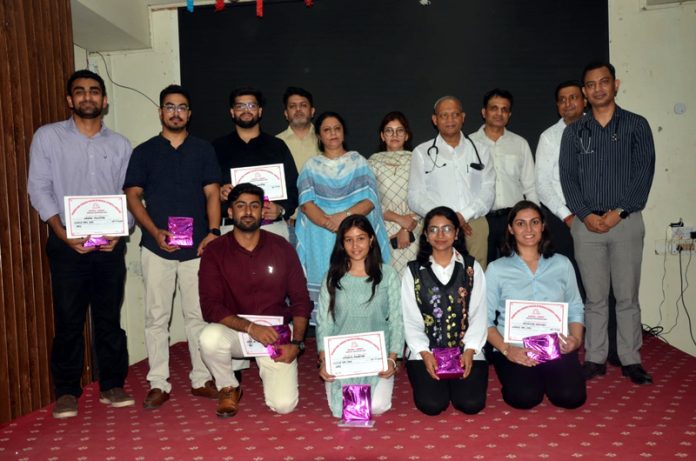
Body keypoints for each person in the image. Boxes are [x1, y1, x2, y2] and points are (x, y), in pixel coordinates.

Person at [27, 69, 135, 418]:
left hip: (110, 244)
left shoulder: (120, 145)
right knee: (69, 317)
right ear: (70, 100)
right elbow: (38, 187)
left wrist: (122, 229)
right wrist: (60, 231)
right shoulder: (47, 138)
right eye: (80, 92)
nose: (87, 97)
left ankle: (112, 384)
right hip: (65, 243)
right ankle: (67, 391)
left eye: (94, 92)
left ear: (104, 101)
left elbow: (128, 194)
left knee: (108, 316)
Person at [124, 84, 221, 409]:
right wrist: (154, 232)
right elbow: (133, 196)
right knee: (156, 318)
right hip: (156, 248)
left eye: (182, 107)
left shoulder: (203, 150)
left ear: (189, 114)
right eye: (170, 106)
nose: (176, 112)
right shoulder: (144, 152)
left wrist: (213, 232)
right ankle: (158, 383)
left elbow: (211, 194)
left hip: (197, 250)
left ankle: (201, 378)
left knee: (197, 316)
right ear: (161, 112)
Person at [560, 61, 656, 385]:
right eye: (591, 84)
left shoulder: (636, 125)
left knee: (627, 296)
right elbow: (568, 178)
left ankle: (631, 359)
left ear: (615, 84)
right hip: (587, 226)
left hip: (626, 222)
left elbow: (643, 175)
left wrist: (619, 212)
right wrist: (586, 215)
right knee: (595, 297)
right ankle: (596, 357)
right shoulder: (574, 132)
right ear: (585, 93)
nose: (598, 88)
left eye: (604, 82)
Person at [198, 183, 312, 417]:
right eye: (241, 206)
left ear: (263, 212)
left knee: (283, 406)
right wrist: (251, 327)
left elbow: (301, 299)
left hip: (275, 333)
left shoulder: (282, 248)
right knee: (209, 337)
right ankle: (228, 386)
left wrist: (297, 343)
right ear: (230, 212)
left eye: (254, 206)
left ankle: (269, 371)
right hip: (237, 330)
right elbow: (210, 307)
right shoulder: (214, 251)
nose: (247, 212)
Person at [485, 201, 586, 409]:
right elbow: (483, 319)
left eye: (534, 222)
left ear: (543, 227)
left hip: (556, 346)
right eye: (521, 224)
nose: (528, 229)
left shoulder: (562, 264)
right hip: (514, 346)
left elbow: (575, 307)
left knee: (571, 398)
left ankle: (547, 375)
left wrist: (575, 340)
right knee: (525, 398)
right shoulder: (496, 269)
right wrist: (506, 350)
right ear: (511, 229)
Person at [296, 111, 390, 311]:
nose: (333, 134)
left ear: (344, 133)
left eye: (337, 129)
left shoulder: (359, 163)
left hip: (355, 233)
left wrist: (345, 220)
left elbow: (370, 201)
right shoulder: (311, 167)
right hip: (322, 235)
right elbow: (306, 203)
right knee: (328, 294)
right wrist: (329, 223)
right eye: (327, 130)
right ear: (319, 136)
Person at [401, 206, 488, 415]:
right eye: (433, 229)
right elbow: (410, 319)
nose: (440, 235)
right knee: (432, 405)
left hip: (466, 350)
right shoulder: (412, 271)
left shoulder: (471, 268)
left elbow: (478, 313)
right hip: (426, 352)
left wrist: (470, 349)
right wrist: (423, 352)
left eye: (447, 229)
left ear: (457, 233)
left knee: (470, 404)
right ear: (425, 235)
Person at [316, 215, 404, 418]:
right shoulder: (332, 276)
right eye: (349, 239)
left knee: (377, 406)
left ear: (372, 239)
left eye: (361, 238)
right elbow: (325, 321)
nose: (355, 245)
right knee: (340, 412)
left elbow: (397, 320)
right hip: (340, 358)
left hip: (377, 358)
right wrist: (324, 360)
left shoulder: (387, 275)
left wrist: (392, 359)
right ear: (342, 243)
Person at [408, 96, 495, 270]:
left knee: (475, 278)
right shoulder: (422, 152)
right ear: (435, 120)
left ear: (463, 117)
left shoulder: (480, 150)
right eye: (444, 115)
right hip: (438, 229)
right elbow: (415, 196)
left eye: (455, 114)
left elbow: (488, 191)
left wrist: (463, 215)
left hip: (473, 225)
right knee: (438, 277)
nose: (450, 120)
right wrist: (447, 219)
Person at [214, 87, 299, 239]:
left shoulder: (277, 146)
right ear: (232, 112)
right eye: (240, 106)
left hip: (272, 228)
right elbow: (205, 191)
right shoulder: (217, 148)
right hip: (230, 230)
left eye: (251, 106)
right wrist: (218, 193)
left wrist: (281, 209)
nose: (246, 110)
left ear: (260, 111)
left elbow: (294, 187)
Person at [470, 89, 538, 265]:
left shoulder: (520, 144)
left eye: (504, 109)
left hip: (513, 219)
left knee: (516, 270)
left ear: (509, 114)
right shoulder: (469, 144)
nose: (499, 113)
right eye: (494, 108)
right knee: (481, 272)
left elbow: (530, 186)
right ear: (484, 112)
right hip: (480, 219)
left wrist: (536, 220)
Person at [534, 80, 586, 298]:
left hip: (598, 216)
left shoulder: (600, 130)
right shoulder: (549, 137)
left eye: (573, 97)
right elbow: (542, 184)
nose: (568, 103)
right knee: (564, 279)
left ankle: (599, 331)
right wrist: (567, 217)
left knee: (597, 278)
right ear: (557, 106)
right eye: (562, 100)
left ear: (584, 100)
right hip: (561, 218)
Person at [368, 111, 422, 275]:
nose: (394, 135)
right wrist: (399, 220)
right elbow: (369, 199)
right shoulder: (371, 163)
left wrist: (406, 228)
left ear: (406, 136)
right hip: (383, 228)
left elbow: (425, 198)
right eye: (389, 131)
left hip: (415, 227)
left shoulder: (418, 160)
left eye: (399, 130)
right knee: (388, 280)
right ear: (382, 136)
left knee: (414, 281)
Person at [276, 86, 320, 246]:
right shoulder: (274, 145)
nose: (298, 109)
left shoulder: (326, 140)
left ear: (312, 111)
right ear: (286, 113)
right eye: (292, 106)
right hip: (288, 225)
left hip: (323, 225)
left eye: (303, 105)